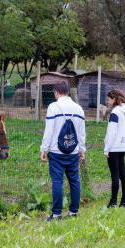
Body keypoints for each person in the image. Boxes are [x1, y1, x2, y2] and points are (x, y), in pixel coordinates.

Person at [40, 82, 86, 221]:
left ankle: (57, 214)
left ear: (56, 92)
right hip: (73, 152)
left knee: (57, 182)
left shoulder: (53, 107)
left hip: (56, 152)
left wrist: (44, 148)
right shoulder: (79, 109)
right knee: (74, 181)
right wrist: (82, 150)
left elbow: (49, 130)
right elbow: (81, 133)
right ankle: (73, 213)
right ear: (67, 92)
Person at [104, 89, 125, 208]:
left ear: (114, 99)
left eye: (109, 99)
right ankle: (124, 201)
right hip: (123, 145)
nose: (108, 101)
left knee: (115, 175)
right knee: (122, 174)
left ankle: (113, 202)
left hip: (114, 147)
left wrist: (106, 148)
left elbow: (111, 132)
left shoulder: (115, 113)